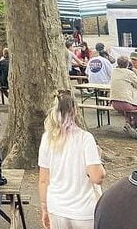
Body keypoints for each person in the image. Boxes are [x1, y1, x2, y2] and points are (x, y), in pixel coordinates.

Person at [38, 90, 104, 229]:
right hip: (83, 209)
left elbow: (44, 179)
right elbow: (97, 177)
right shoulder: (85, 139)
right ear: (75, 110)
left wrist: (44, 207)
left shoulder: (47, 138)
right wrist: (99, 160)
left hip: (56, 207)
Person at [109, 55, 137, 139]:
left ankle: (129, 123)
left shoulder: (114, 72)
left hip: (114, 102)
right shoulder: (129, 73)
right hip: (126, 103)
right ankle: (134, 126)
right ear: (127, 64)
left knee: (129, 108)